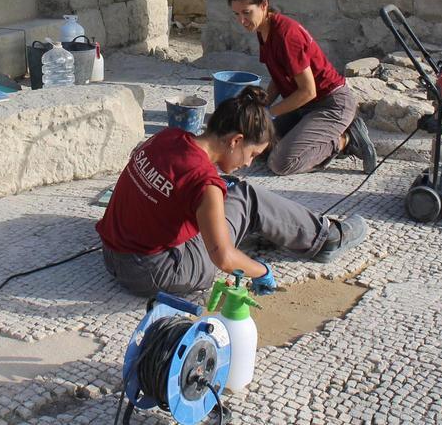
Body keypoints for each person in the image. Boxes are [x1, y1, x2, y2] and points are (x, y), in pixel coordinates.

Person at [96, 87, 368, 297]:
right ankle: (326, 239)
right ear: (235, 140)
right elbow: (223, 258)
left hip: (112, 255)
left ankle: (282, 230)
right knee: (247, 197)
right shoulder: (205, 183)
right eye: (251, 154)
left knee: (230, 188)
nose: (248, 163)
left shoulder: (168, 137)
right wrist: (262, 271)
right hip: (157, 273)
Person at [228, 0, 377, 176]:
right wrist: (260, 108)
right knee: (259, 145)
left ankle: (346, 140)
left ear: (263, 5)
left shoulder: (286, 35)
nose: (242, 21)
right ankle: (309, 132)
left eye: (246, 13)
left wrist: (271, 113)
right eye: (236, 15)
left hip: (330, 104)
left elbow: (308, 91)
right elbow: (279, 78)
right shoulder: (263, 30)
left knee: (281, 163)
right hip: (303, 106)